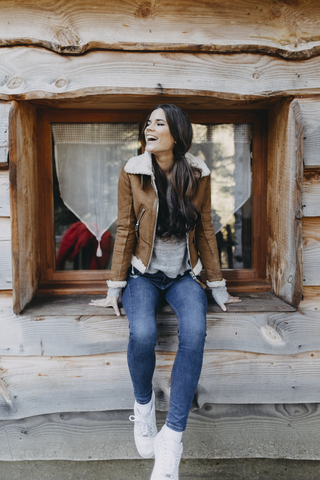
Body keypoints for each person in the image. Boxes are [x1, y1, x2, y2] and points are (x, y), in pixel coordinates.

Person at [90, 104, 240, 480]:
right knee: (142, 332)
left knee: (194, 332)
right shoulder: (133, 171)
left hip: (184, 276)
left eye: (159, 123)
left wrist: (218, 286)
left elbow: (206, 230)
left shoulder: (198, 175)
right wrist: (115, 286)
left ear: (177, 133)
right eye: (148, 123)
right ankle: (143, 409)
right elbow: (125, 229)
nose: (150, 128)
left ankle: (172, 439)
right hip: (143, 275)